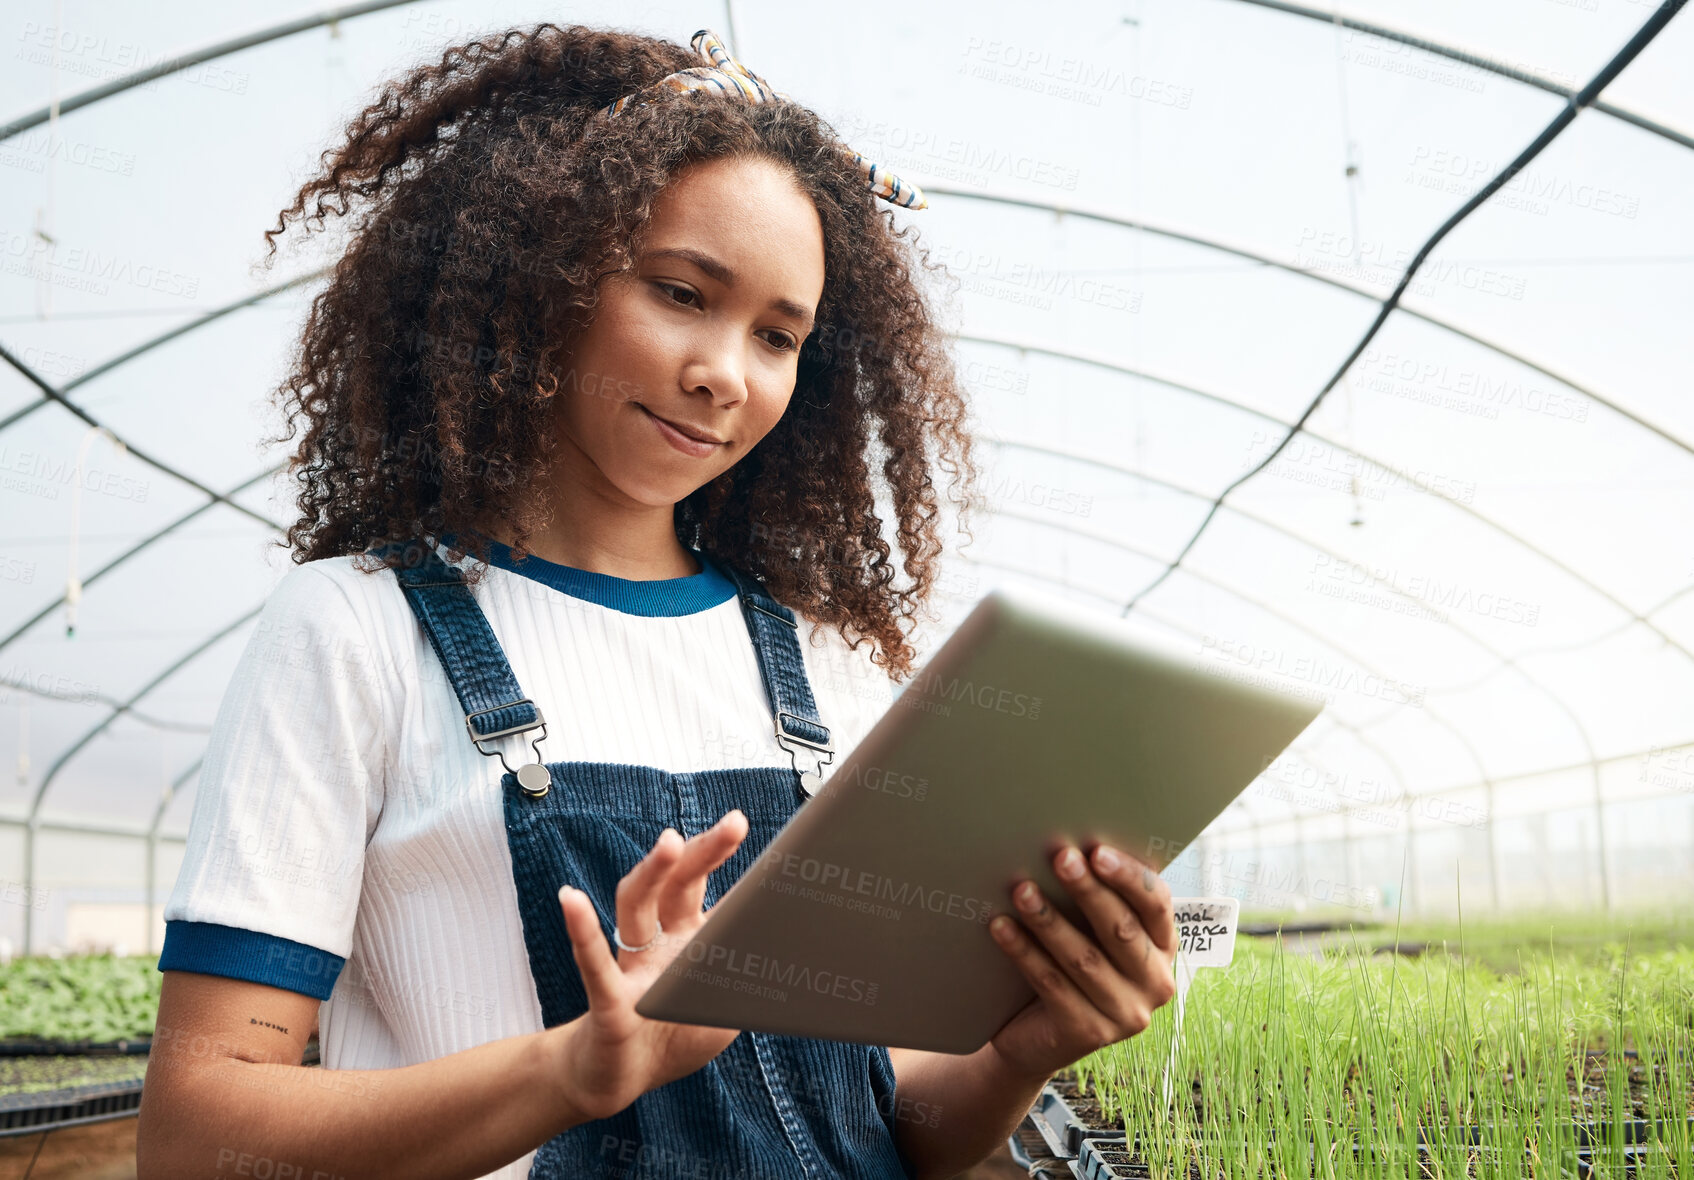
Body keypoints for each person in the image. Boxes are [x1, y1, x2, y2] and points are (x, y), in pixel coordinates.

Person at [135, 24, 1177, 1180]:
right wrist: (574, 1070)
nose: (725, 372)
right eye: (682, 292)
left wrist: (1022, 1051)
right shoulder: (353, 631)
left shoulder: (829, 665)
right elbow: (200, 1132)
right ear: (543, 277)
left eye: (777, 336)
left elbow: (884, 1125)